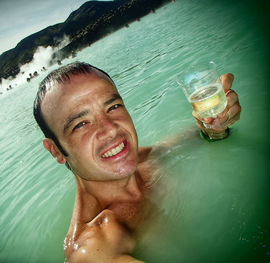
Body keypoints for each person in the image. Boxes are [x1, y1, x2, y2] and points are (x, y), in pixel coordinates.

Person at [33, 62, 241, 262]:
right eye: (80, 124)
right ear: (55, 151)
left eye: (113, 107)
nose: (111, 129)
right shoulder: (93, 245)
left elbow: (196, 138)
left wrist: (216, 125)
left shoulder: (144, 158)